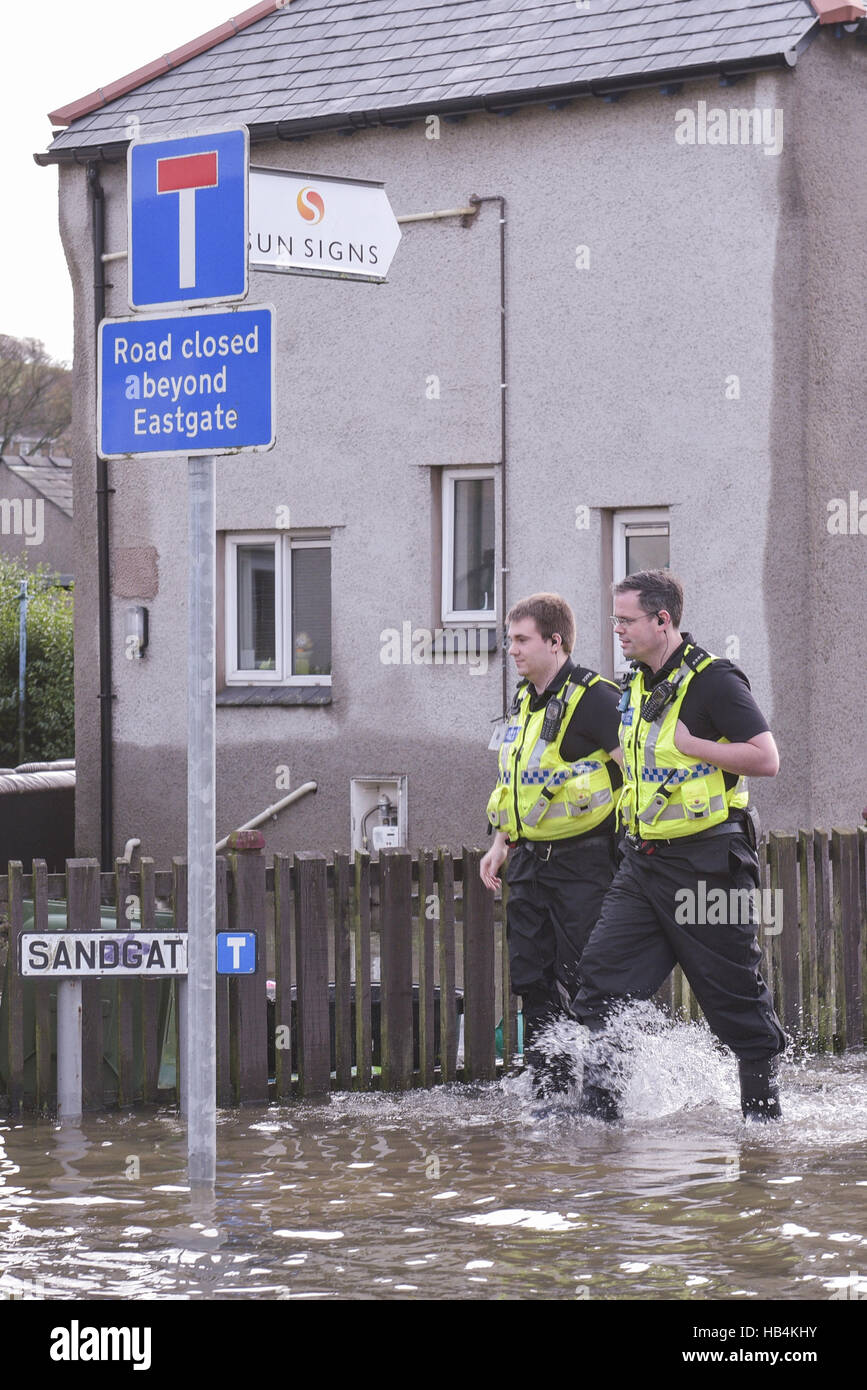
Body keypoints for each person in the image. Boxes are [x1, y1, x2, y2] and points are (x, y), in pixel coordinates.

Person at [572, 570, 787, 1122]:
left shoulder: (713, 681)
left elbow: (766, 758)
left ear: (662, 620)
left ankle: (762, 1127)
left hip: (710, 864)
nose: (617, 629)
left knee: (735, 996)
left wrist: (697, 747)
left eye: (627, 620)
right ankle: (601, 1120)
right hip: (642, 863)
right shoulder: (639, 684)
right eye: (615, 619)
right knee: (600, 983)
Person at [480, 593, 622, 1100]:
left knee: (594, 980)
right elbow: (519, 781)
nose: (511, 650)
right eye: (510, 639)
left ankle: (607, 1099)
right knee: (534, 980)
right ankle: (551, 1094)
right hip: (529, 865)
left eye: (521, 640)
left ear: (555, 642)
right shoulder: (525, 700)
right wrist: (501, 842)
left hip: (586, 863)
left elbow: (636, 775)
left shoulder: (598, 698)